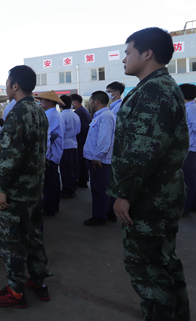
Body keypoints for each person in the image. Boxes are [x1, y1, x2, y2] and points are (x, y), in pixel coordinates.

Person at [108, 27, 190, 320]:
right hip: (159, 193)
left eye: (128, 52)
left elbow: (142, 151)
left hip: (149, 198)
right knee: (164, 264)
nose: (124, 59)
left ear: (147, 54)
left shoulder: (153, 91)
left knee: (149, 272)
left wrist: (124, 194)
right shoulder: (159, 87)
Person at [0, 65, 51, 308]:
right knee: (34, 237)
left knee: (13, 241)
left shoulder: (17, 114)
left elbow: (10, 157)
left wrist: (1, 189)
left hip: (17, 191)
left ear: (15, 86)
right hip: (34, 188)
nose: (6, 86)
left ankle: (15, 291)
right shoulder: (40, 112)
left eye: (7, 82)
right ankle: (39, 282)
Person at [83, 91, 116, 226]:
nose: (90, 104)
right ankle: (108, 213)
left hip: (99, 160)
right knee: (104, 187)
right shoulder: (102, 115)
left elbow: (104, 138)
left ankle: (100, 217)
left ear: (96, 101)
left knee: (99, 189)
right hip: (98, 158)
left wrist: (97, 157)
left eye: (90, 101)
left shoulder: (105, 116)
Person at [36, 91, 64, 216]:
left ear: (51, 102)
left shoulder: (50, 115)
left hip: (50, 154)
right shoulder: (53, 114)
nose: (40, 102)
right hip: (53, 153)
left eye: (43, 100)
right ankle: (53, 205)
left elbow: (47, 136)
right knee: (53, 181)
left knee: (49, 183)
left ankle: (49, 207)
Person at [59, 95, 81, 199]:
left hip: (65, 145)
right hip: (74, 143)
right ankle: (72, 188)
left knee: (65, 169)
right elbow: (78, 130)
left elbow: (61, 132)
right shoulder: (75, 115)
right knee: (73, 168)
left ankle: (67, 190)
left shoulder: (62, 116)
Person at [179, 83, 196, 217]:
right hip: (188, 150)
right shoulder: (188, 108)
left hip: (191, 151)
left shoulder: (191, 109)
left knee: (188, 180)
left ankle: (186, 207)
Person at [71, 94, 91, 188]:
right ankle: (83, 179)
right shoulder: (84, 110)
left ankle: (79, 179)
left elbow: (80, 128)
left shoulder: (78, 112)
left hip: (80, 139)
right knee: (83, 161)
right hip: (84, 138)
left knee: (79, 161)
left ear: (75, 102)